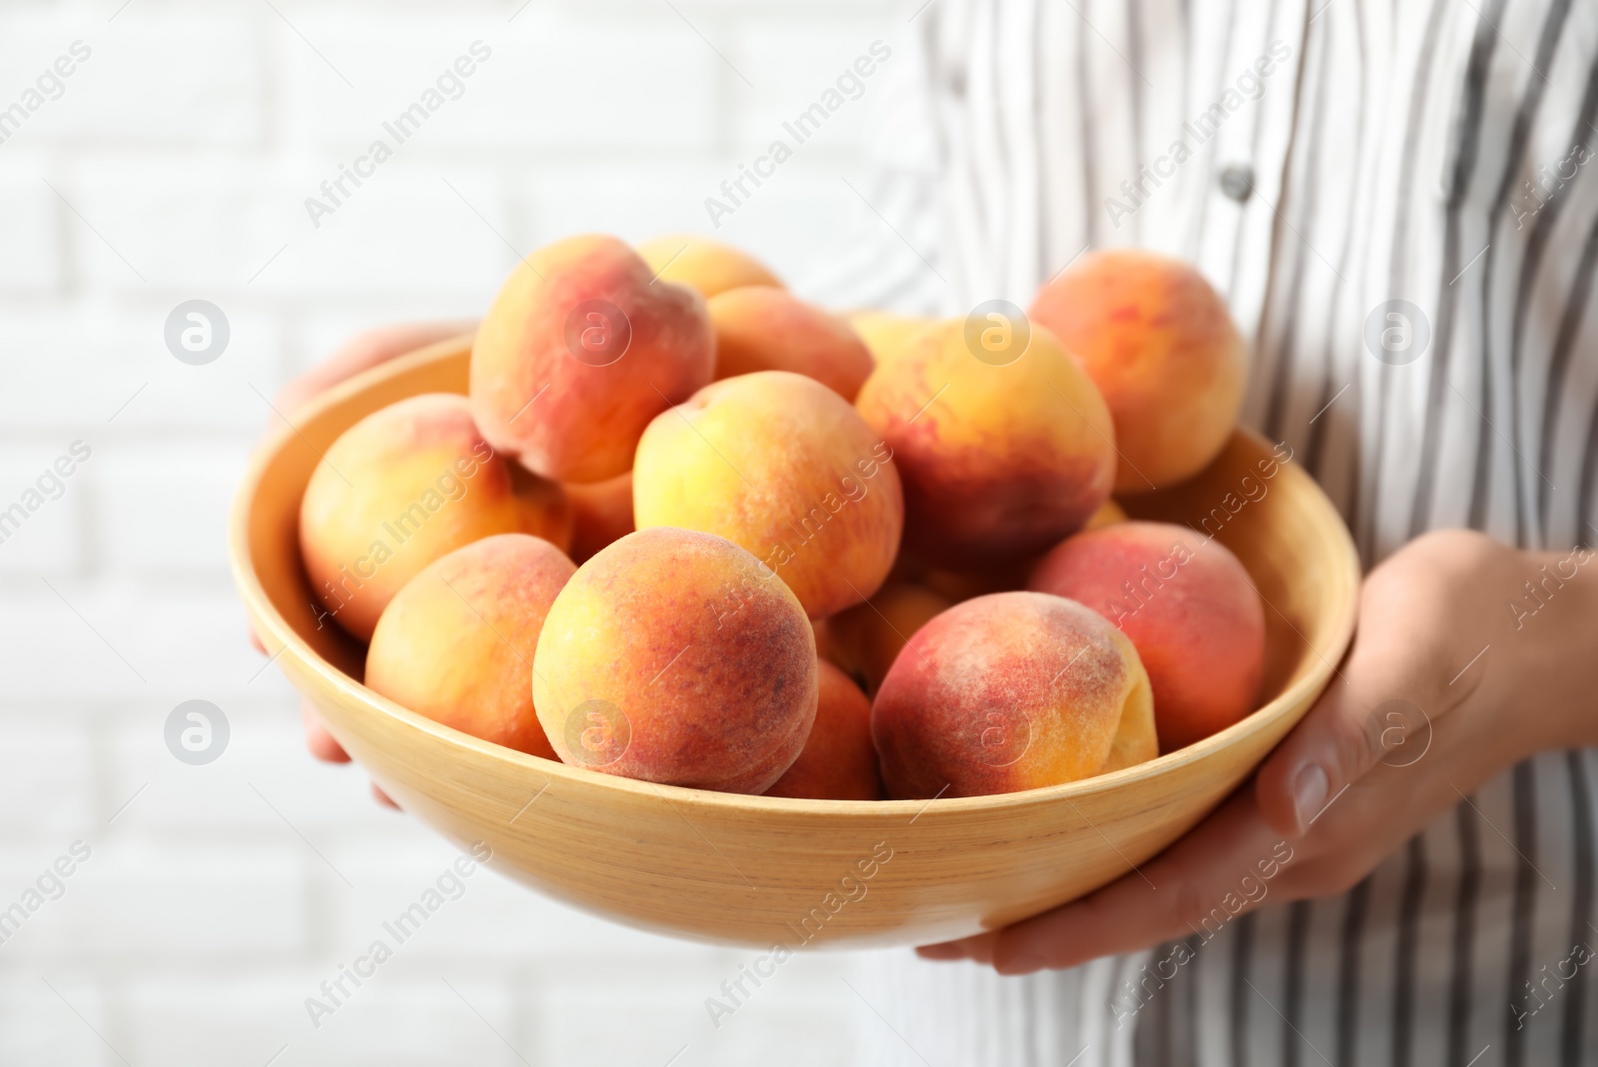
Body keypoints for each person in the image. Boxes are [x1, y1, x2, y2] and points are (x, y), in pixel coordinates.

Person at [255, 1, 1598, 1063]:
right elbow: (904, 289)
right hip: (963, 976)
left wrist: (1541, 649)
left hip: (1463, 981)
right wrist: (579, 386)